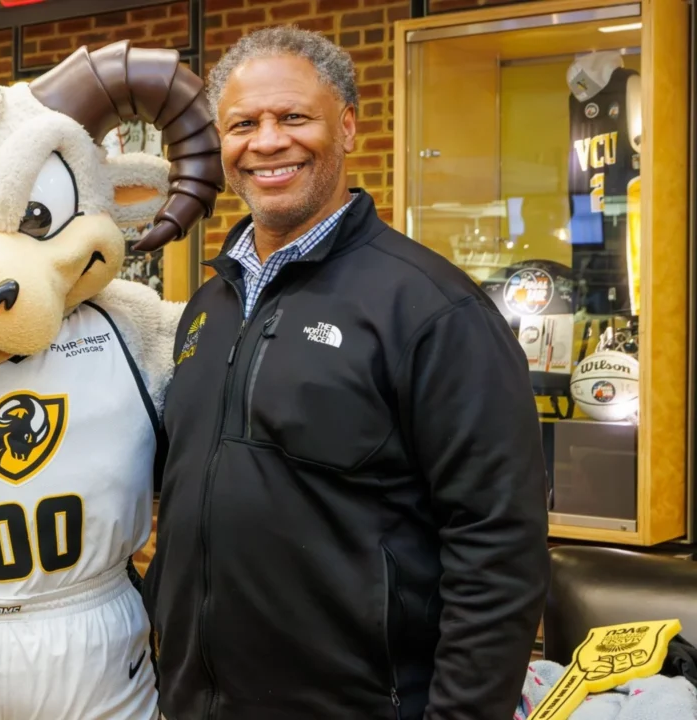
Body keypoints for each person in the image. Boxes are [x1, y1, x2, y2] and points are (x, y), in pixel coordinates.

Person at [143, 26, 550, 720]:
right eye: (243, 124)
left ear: (349, 126)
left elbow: (498, 547)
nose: (267, 142)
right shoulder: (206, 309)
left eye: (294, 117)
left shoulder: (431, 308)